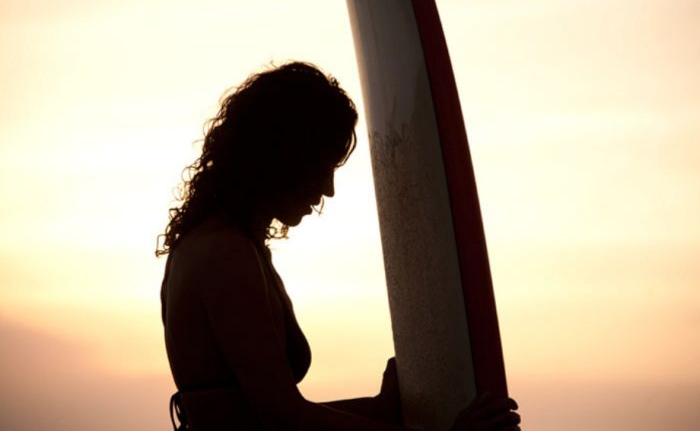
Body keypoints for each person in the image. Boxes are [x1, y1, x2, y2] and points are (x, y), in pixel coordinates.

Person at [157, 61, 521, 431]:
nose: (328, 189)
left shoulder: (230, 245)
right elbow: (284, 419)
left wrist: (380, 409)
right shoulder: (223, 255)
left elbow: (259, 412)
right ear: (285, 157)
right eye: (322, 166)